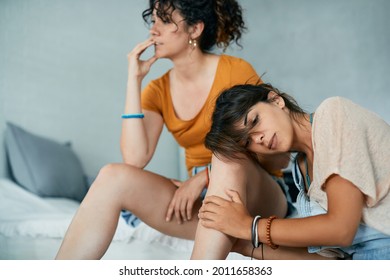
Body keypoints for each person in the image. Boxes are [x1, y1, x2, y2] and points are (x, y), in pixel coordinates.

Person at [55, 0, 276, 259]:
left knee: (228, 164)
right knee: (112, 176)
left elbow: (272, 146)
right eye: (153, 21)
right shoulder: (158, 89)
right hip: (204, 199)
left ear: (195, 29)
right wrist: (134, 80)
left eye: (166, 20)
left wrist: (206, 176)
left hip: (256, 190)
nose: (153, 30)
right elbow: (135, 159)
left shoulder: (235, 71)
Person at [199, 83, 390, 260]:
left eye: (255, 121)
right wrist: (244, 245)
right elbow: (333, 261)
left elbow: (342, 229)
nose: (258, 139)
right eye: (247, 142)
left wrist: (250, 226)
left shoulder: (333, 114)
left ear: (276, 100)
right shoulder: (301, 170)